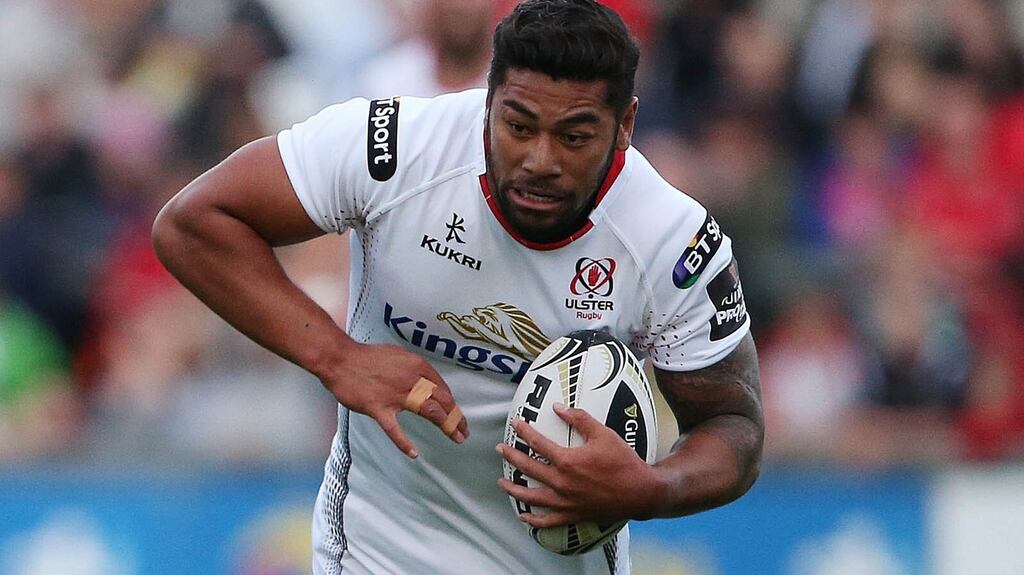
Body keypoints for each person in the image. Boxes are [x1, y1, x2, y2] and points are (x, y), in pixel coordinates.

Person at [152, 1, 763, 573]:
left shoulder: (671, 241)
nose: (539, 159)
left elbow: (735, 426)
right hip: (375, 548)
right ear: (487, 99)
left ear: (624, 125)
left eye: (574, 137)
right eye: (518, 126)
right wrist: (335, 356)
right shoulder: (394, 150)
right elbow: (193, 222)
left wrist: (648, 489)